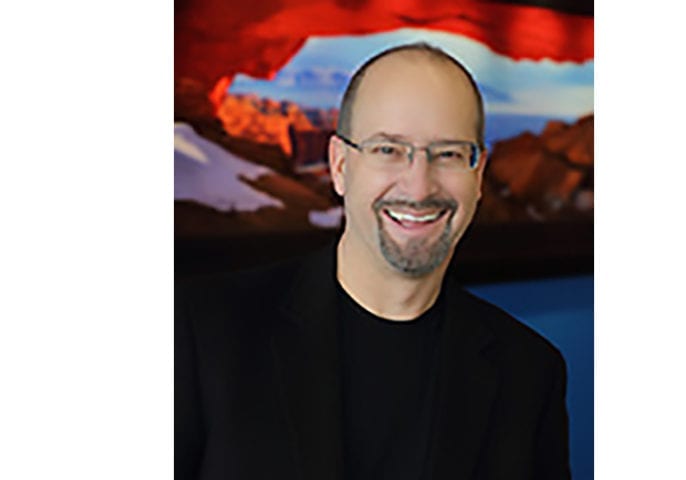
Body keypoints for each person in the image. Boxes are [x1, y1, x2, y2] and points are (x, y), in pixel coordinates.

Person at [175, 42, 571, 480]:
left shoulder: (531, 373)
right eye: (388, 150)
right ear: (340, 166)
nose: (419, 187)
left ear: (478, 177)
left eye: (449, 154)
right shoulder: (201, 330)